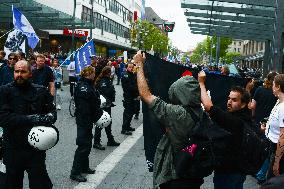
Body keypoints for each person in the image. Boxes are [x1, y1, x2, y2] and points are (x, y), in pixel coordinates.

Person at [134, 51, 204, 189]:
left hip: (175, 175)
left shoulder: (178, 114)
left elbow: (145, 95)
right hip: (194, 173)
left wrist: (139, 65)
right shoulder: (201, 111)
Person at [0, 60, 57, 189]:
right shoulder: (4, 91)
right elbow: (4, 118)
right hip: (12, 148)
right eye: (16, 71)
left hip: (35, 150)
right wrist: (32, 118)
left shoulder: (41, 91)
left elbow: (52, 113)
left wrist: (49, 118)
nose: (19, 74)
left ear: (30, 73)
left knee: (40, 185)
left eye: (23, 71)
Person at [198, 70, 252, 189]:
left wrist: (201, 83)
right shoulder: (246, 114)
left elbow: (208, 106)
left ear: (243, 104)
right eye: (228, 98)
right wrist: (248, 88)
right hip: (238, 169)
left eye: (234, 100)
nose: (228, 102)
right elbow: (247, 101)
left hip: (228, 172)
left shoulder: (235, 122)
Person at [70, 66, 103, 182]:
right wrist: (92, 117)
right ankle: (75, 172)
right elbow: (85, 108)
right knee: (83, 145)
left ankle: (84, 167)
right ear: (89, 73)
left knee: (87, 144)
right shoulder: (84, 87)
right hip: (84, 120)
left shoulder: (88, 85)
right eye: (93, 72)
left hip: (87, 119)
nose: (95, 74)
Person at [250, 72, 278, 184]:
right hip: (269, 124)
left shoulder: (259, 90)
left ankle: (254, 168)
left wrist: (252, 116)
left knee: (256, 145)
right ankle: (261, 173)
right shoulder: (276, 94)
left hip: (257, 121)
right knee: (267, 149)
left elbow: (253, 106)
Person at [93, 66, 120, 150]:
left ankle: (110, 140)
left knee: (108, 122)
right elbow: (105, 93)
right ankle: (96, 142)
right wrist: (111, 88)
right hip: (103, 105)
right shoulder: (103, 81)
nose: (111, 74)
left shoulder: (106, 80)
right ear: (107, 73)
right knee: (101, 123)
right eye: (110, 72)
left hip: (107, 104)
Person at [264, 74, 284, 180]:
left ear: (278, 87)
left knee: (273, 180)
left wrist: (277, 161)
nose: (272, 87)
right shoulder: (278, 101)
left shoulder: (283, 107)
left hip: (278, 150)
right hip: (273, 147)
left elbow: (283, 136)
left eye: (273, 84)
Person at [121, 63, 139, 135]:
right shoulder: (126, 75)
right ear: (126, 67)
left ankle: (128, 126)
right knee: (127, 113)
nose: (131, 68)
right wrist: (137, 90)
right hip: (128, 96)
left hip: (132, 96)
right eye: (130, 67)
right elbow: (129, 87)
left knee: (131, 112)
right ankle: (124, 129)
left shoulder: (131, 74)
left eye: (132, 67)